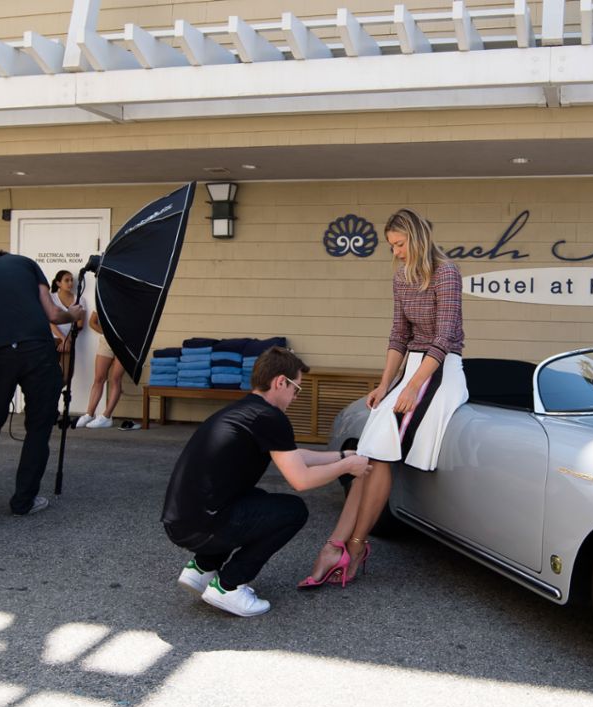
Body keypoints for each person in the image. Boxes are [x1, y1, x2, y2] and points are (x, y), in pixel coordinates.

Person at [301, 208, 469, 588]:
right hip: (410, 371)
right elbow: (398, 335)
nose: (396, 252)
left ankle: (352, 547)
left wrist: (412, 387)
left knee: (378, 455)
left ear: (417, 238)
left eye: (400, 244)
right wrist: (385, 384)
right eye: (391, 246)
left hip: (440, 371)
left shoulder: (446, 272)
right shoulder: (401, 277)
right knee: (366, 455)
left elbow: (444, 337)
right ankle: (336, 546)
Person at [163, 347, 371, 617]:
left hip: (181, 520)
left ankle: (202, 569)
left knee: (256, 499)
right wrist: (347, 467)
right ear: (280, 382)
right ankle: (228, 585)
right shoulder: (271, 417)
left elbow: (294, 456)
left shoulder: (246, 410)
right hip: (202, 526)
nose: (296, 397)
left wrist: (342, 455)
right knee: (292, 511)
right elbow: (301, 480)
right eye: (297, 389)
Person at [0, 250, 85, 519]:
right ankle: (23, 501)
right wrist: (73, 314)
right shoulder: (26, 264)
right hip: (37, 351)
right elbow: (52, 314)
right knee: (38, 427)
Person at [75, 309, 125, 429]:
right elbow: (92, 322)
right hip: (106, 341)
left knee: (116, 378)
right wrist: (107, 333)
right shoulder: (104, 299)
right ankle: (89, 414)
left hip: (125, 343)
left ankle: (106, 417)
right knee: (99, 378)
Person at [49, 269, 82, 373]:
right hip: (52, 340)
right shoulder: (50, 298)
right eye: (66, 280)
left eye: (71, 280)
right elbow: (50, 322)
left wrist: (68, 340)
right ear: (58, 283)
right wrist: (63, 338)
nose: (70, 283)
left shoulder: (79, 300)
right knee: (49, 373)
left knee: (67, 375)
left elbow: (80, 324)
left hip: (69, 341)